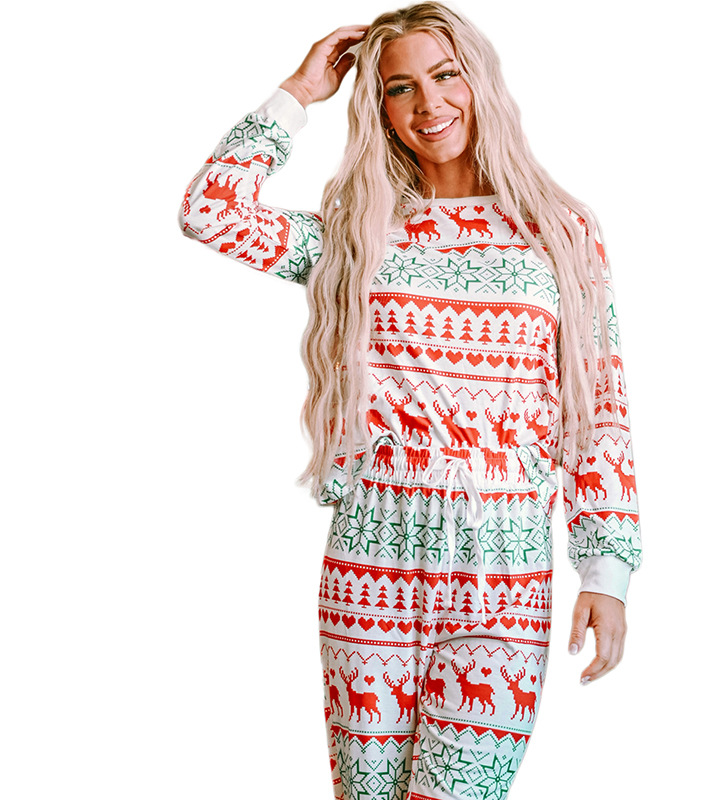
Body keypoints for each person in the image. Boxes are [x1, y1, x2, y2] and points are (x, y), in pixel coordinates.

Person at [179, 3, 641, 798]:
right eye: (400, 88)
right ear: (380, 107)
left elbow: (598, 406)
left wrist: (606, 569)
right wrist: (299, 91)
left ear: (479, 81)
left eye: (445, 75)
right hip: (373, 559)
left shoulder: (561, 231)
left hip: (502, 566)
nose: (429, 104)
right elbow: (208, 213)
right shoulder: (358, 232)